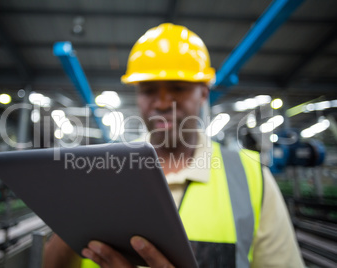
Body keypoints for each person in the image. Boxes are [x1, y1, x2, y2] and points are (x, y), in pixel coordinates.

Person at [44, 23, 304, 268]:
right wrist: (73, 217)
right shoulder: (103, 167)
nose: (163, 103)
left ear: (203, 92)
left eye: (178, 88)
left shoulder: (250, 178)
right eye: (148, 89)